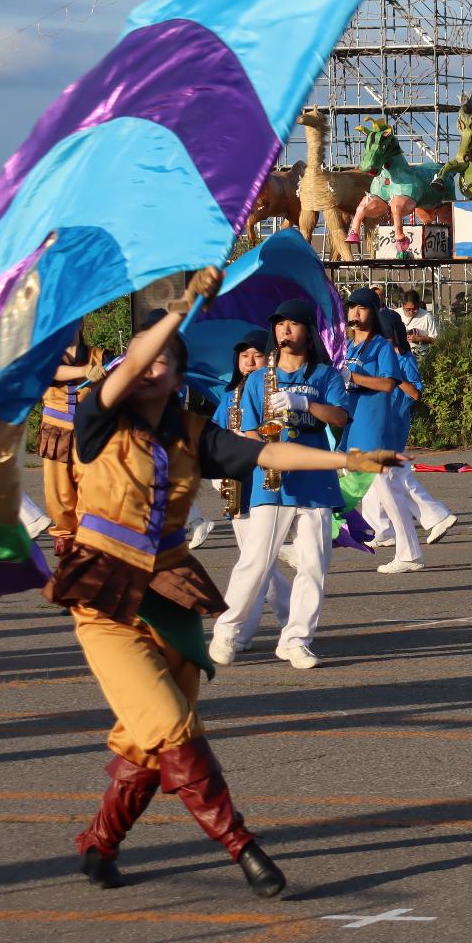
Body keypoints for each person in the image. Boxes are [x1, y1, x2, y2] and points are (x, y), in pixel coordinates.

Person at [47, 272, 398, 897]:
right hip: (104, 598)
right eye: (136, 357)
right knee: (174, 728)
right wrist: (182, 306)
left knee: (147, 737)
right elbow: (124, 374)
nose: (141, 366)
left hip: (170, 600)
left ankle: (100, 843)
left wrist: (347, 459)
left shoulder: (190, 432)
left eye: (158, 359)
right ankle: (243, 846)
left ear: (178, 376)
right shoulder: (100, 417)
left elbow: (266, 456)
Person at [211, 299, 348, 671]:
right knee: (255, 561)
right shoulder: (257, 380)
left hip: (316, 480)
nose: (285, 330)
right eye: (280, 324)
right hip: (271, 481)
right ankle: (226, 629)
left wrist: (304, 404)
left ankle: (296, 639)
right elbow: (252, 430)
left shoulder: (326, 375)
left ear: (308, 331)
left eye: (293, 324)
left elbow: (338, 417)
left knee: (314, 566)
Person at [207, 330, 292, 629]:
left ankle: (243, 625)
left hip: (265, 477)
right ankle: (289, 613)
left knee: (255, 560)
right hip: (237, 480)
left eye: (257, 356)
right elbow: (215, 433)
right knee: (253, 558)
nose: (250, 362)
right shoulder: (228, 396)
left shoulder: (276, 391)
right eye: (245, 357)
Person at [337, 288, 420, 576]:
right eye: (352, 308)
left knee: (386, 489)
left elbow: (388, 384)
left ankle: (408, 552)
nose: (355, 314)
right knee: (377, 489)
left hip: (372, 425)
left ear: (373, 313)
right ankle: (405, 549)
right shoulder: (347, 347)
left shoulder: (381, 347)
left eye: (361, 308)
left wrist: (353, 377)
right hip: (351, 423)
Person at [358, 310, 433, 569]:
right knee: (385, 484)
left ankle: (426, 525)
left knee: (394, 483)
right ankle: (390, 533)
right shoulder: (377, 354)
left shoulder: (403, 358)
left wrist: (394, 379)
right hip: (377, 424)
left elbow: (415, 394)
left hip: (394, 424)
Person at [38, 335, 103, 543]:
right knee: (59, 492)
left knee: (91, 488)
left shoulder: (98, 355)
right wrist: (84, 371)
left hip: (89, 433)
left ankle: (88, 537)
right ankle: (64, 536)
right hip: (56, 432)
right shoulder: (47, 355)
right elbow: (49, 372)